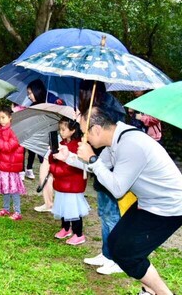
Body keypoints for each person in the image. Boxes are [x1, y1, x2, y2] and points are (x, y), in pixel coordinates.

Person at [64, 106, 182, 295]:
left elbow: (117, 189)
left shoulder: (131, 144)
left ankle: (163, 293)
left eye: (85, 134)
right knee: (117, 244)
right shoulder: (115, 140)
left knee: (126, 254)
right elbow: (103, 168)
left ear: (97, 130)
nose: (84, 139)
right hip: (149, 202)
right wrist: (69, 158)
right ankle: (149, 290)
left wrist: (92, 159)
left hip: (169, 207)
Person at [78, 80, 126, 275]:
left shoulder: (110, 109)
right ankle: (106, 254)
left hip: (111, 168)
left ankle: (116, 258)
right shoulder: (92, 107)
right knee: (104, 214)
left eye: (82, 90)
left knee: (113, 215)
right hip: (99, 164)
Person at [44, 118, 89, 245]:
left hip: (72, 184)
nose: (61, 132)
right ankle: (65, 228)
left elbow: (69, 168)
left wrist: (53, 168)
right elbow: (55, 161)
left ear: (73, 130)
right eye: (60, 129)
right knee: (63, 206)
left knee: (73, 210)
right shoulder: (62, 143)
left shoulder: (77, 146)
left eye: (64, 129)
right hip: (62, 183)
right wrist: (52, 154)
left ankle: (79, 234)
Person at [26, 79, 65, 212]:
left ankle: (53, 203)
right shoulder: (35, 104)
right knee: (45, 173)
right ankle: (48, 203)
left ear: (38, 90)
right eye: (28, 94)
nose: (29, 96)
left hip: (56, 141)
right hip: (42, 141)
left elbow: (64, 120)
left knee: (51, 173)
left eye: (30, 93)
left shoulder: (55, 101)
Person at [0, 106, 26, 221]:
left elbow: (8, 147)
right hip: (1, 164)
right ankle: (6, 208)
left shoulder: (15, 131)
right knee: (5, 188)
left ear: (10, 117)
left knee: (13, 189)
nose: (1, 120)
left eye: (3, 117)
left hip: (11, 166)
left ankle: (17, 211)